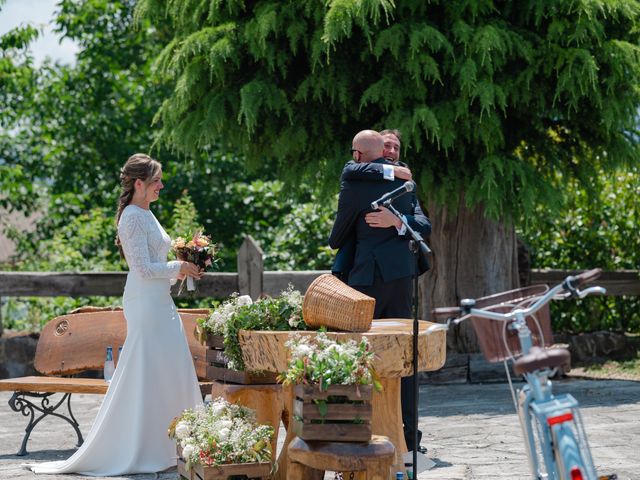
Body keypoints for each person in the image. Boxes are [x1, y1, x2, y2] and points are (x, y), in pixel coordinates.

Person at [26, 154, 204, 476]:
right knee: (148, 367)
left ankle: (170, 444)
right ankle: (138, 446)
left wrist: (182, 265)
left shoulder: (147, 214)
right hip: (145, 303)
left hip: (159, 301)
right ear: (139, 183)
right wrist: (178, 267)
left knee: (169, 367)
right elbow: (141, 269)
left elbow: (154, 263)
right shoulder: (132, 217)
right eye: (156, 181)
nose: (161, 185)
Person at [328, 130, 431, 454]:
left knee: (386, 354)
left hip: (381, 280)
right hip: (384, 278)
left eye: (396, 148)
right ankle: (392, 431)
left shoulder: (400, 184)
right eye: (387, 147)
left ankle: (399, 432)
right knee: (392, 355)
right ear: (378, 152)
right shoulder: (393, 178)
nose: (391, 152)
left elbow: (423, 226)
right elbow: (352, 168)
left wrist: (395, 221)